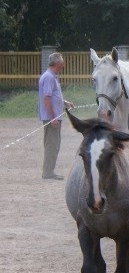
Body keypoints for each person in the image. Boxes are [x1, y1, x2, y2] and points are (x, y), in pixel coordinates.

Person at [38, 52, 74, 180]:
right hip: (51, 118)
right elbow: (46, 99)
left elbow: (53, 97)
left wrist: (65, 103)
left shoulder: (52, 77)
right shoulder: (49, 77)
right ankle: (48, 172)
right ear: (57, 64)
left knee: (54, 144)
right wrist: (53, 118)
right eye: (62, 64)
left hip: (54, 117)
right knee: (52, 145)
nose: (63, 66)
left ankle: (49, 171)